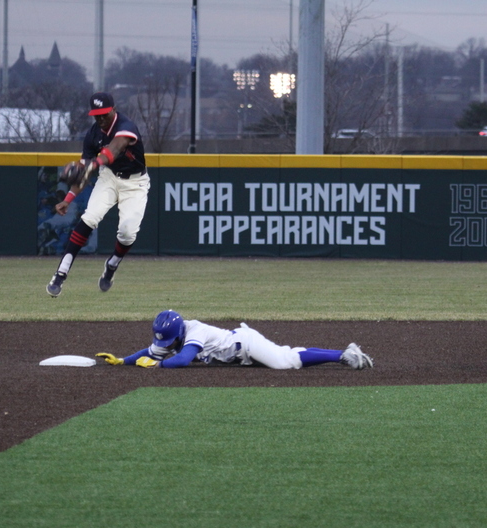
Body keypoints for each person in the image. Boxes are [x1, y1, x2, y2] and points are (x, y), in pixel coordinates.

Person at [46, 91, 150, 297]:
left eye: (105, 114)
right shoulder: (92, 136)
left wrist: (92, 164)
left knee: (128, 233)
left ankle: (112, 265)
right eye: (97, 115)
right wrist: (68, 199)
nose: (101, 118)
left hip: (136, 183)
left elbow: (115, 148)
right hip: (109, 178)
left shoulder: (126, 126)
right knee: (89, 218)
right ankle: (60, 274)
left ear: (113, 110)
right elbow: (83, 176)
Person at [95, 310, 374, 370]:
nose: (165, 344)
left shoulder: (194, 332)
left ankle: (343, 355)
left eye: (169, 340)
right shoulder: (172, 335)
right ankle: (341, 353)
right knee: (287, 354)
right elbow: (153, 350)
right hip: (240, 354)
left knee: (284, 362)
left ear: (179, 333)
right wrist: (123, 360)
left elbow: (181, 360)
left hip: (247, 344)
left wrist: (157, 366)